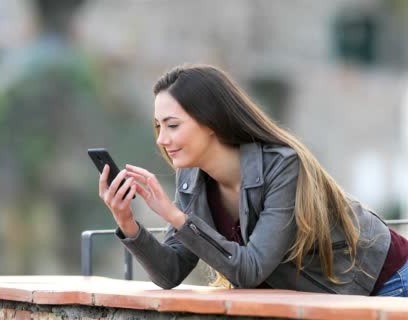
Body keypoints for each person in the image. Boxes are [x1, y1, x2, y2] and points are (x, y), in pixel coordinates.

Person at [97, 64, 408, 296]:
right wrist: (128, 224)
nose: (162, 139)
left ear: (210, 122)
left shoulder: (282, 166)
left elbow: (251, 269)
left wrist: (174, 216)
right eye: (158, 127)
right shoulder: (191, 179)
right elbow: (170, 272)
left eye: (173, 125)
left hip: (388, 278)